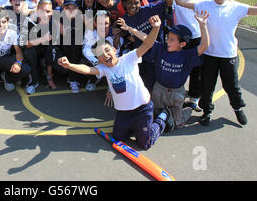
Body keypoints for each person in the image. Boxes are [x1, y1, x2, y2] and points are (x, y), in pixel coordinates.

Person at [169, 0, 257, 126]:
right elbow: (180, 2)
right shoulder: (203, 5)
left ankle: (237, 108)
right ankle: (207, 111)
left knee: (231, 86)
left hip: (228, 55)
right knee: (207, 85)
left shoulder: (237, 7)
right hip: (209, 54)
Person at [58, 15, 175, 150]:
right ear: (99, 60)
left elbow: (148, 44)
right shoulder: (104, 69)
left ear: (114, 50)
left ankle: (163, 117)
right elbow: (86, 69)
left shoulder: (129, 58)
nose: (105, 55)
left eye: (107, 51)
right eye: (100, 55)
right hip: (123, 112)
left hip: (142, 108)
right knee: (119, 138)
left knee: (145, 143)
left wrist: (156, 28)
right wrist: (69, 65)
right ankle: (135, 128)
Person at [148, 11, 210, 129]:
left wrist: (203, 25)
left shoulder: (188, 55)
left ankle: (188, 109)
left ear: (182, 44)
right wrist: (130, 28)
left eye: (171, 39)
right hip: (159, 89)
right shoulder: (162, 49)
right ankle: (167, 112)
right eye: (167, 38)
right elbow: (147, 39)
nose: (167, 41)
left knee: (177, 124)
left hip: (176, 92)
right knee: (156, 117)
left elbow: (204, 46)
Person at [169, 0, 213, 111]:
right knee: (178, 67)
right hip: (181, 39)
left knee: (196, 70)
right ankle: (175, 93)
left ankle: (194, 97)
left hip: (197, 37)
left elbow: (221, 0)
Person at [0, 8, 32, 108]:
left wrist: (18, 63)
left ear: (8, 21)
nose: (1, 25)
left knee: (25, 69)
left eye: (4, 22)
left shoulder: (12, 30)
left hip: (5, 59)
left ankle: (7, 77)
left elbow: (19, 52)